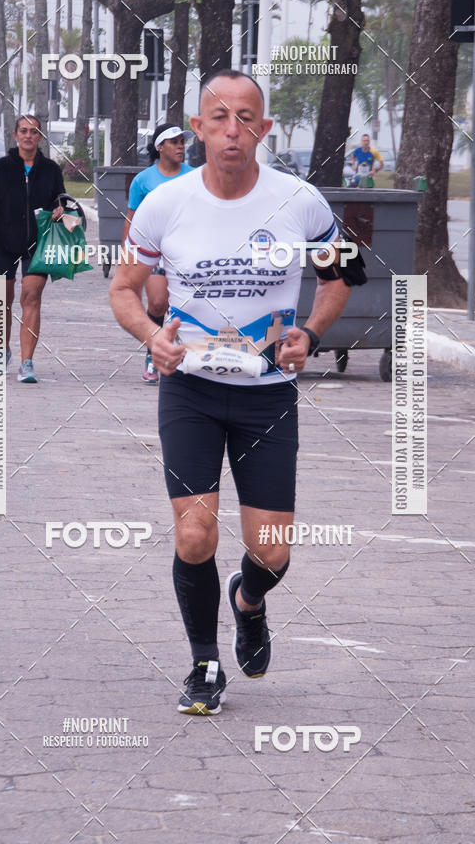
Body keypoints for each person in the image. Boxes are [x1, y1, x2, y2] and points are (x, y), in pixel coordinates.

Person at [110, 70, 365, 716]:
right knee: (194, 534)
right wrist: (151, 336)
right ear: (197, 128)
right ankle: (203, 664)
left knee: (272, 552)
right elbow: (121, 289)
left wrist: (309, 331)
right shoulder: (164, 205)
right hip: (190, 390)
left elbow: (346, 276)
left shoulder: (299, 200)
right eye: (218, 117)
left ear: (265, 128)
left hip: (267, 395)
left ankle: (247, 602)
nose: (232, 130)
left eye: (246, 117)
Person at [0, 115, 65, 383]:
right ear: (15, 135)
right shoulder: (1, 168)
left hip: (38, 243)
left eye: (34, 132)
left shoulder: (51, 169)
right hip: (1, 242)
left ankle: (27, 362)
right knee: (1, 302)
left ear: (40, 137)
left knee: (31, 298)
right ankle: (1, 351)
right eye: (24, 131)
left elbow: (62, 199)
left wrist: (61, 209)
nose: (28, 136)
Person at [121, 123, 193, 383]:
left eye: (182, 142)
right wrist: (126, 253)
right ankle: (153, 354)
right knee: (158, 304)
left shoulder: (195, 176)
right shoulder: (143, 180)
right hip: (155, 252)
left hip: (188, 252)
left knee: (186, 307)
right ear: (160, 147)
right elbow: (132, 218)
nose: (181, 146)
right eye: (174, 142)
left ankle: (187, 357)